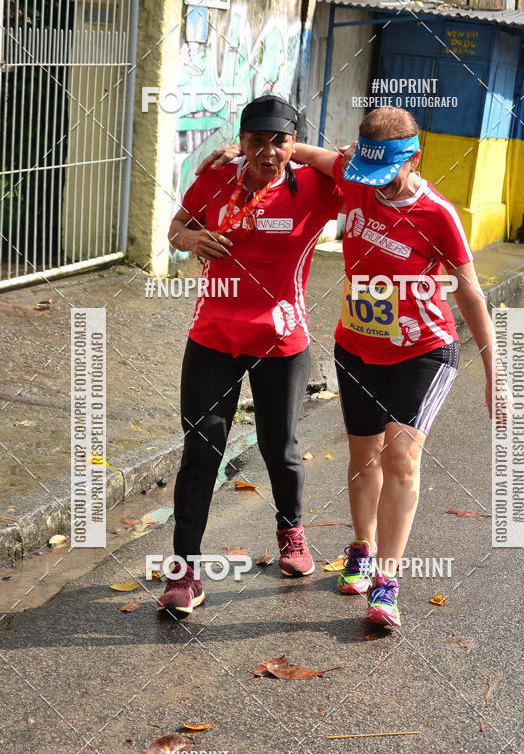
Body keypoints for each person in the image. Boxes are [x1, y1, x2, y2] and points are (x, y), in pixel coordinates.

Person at [202, 106, 504, 628]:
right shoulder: (357, 174)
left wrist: (496, 371)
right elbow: (293, 151)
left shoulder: (438, 214)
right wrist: (241, 152)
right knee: (365, 454)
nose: (377, 187)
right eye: (370, 174)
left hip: (422, 349)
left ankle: (386, 583)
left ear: (414, 158)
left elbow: (471, 292)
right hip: (358, 346)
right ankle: (362, 548)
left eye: (387, 175)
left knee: (401, 456)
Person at [157, 95, 343, 615]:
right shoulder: (217, 179)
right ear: (240, 141)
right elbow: (175, 228)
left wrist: (293, 152)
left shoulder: (314, 187)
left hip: (282, 342)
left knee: (278, 444)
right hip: (213, 335)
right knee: (201, 452)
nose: (266, 151)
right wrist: (192, 238)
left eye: (278, 140)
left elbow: (359, 167)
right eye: (255, 140)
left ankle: (291, 533)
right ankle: (185, 572)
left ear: (293, 143)